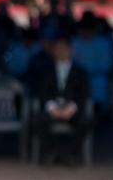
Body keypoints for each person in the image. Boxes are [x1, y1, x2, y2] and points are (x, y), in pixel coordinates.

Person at [32, 34, 92, 166]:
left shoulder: (80, 71)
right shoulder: (46, 70)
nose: (61, 52)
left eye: (64, 48)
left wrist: (70, 109)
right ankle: (51, 152)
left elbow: (83, 95)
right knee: (36, 122)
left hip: (72, 110)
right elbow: (42, 93)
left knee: (85, 122)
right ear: (53, 51)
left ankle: (69, 154)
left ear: (71, 50)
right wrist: (53, 109)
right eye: (58, 49)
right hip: (52, 110)